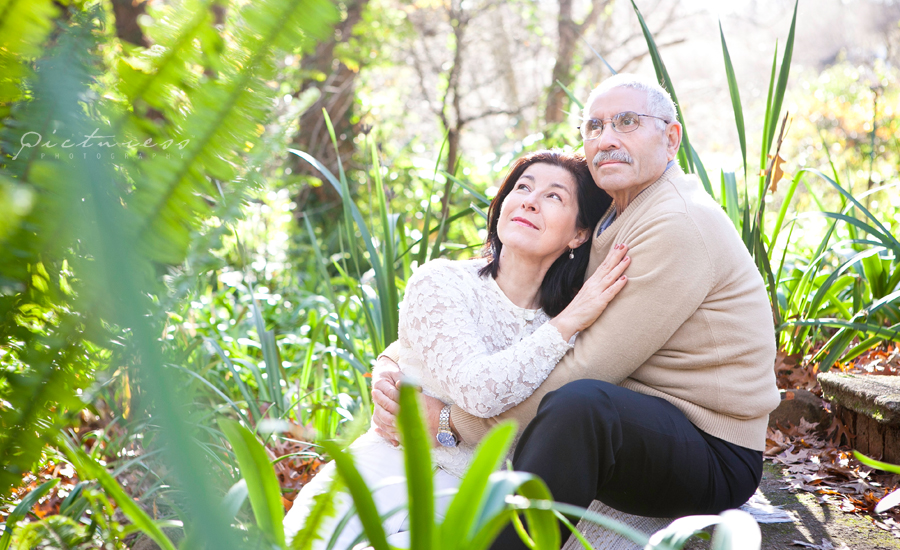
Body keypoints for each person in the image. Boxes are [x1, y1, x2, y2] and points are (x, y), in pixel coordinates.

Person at [372, 74, 781, 549]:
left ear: (670, 139)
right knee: (577, 404)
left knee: (580, 406)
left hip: (711, 447)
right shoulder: (611, 210)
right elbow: (521, 315)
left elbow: (587, 364)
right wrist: (397, 360)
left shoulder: (676, 223)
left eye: (627, 122)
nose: (606, 138)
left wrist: (447, 424)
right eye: (593, 126)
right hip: (645, 419)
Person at [283, 150, 632, 549]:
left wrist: (572, 318)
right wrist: (569, 321)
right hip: (385, 463)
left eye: (554, 197)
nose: (530, 200)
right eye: (522, 187)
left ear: (578, 234)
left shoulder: (575, 326)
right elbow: (477, 390)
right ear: (501, 207)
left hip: (468, 496)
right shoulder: (443, 283)